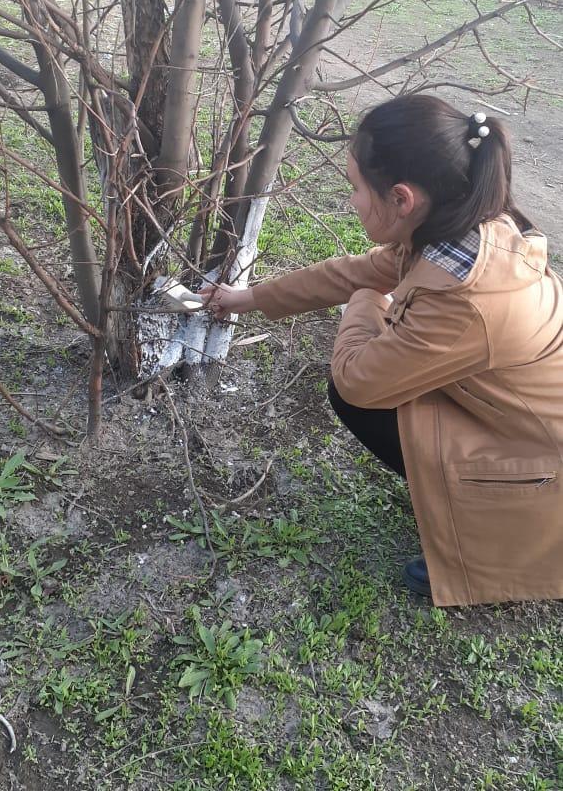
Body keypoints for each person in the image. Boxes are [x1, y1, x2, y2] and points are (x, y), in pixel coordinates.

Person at [201, 94, 563, 608]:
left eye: (354, 188)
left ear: (401, 198)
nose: (351, 200)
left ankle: (503, 538)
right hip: (524, 426)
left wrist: (368, 300)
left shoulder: (464, 300)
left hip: (546, 469)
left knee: (353, 396)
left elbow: (355, 377)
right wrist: (249, 299)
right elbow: (353, 271)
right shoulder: (465, 228)